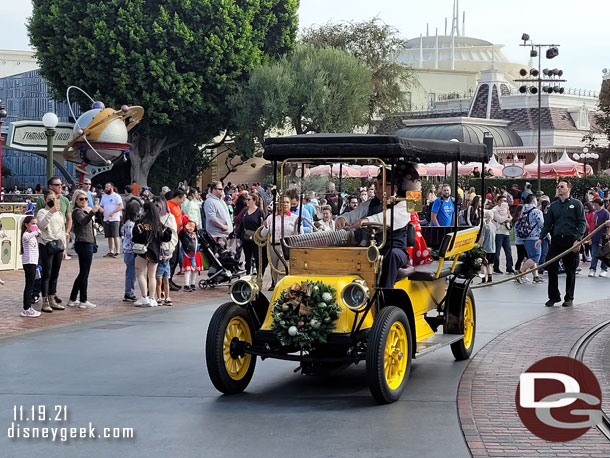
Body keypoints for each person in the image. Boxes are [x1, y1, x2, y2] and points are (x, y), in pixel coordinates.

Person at [336, 166, 414, 289]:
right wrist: (344, 218)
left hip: (395, 249)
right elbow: (354, 214)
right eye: (376, 184)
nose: (377, 188)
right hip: (372, 248)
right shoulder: (370, 204)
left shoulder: (403, 204)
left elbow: (388, 218)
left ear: (394, 187)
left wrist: (367, 220)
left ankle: (385, 294)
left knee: (392, 256)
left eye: (382, 184)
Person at [535, 180, 586, 307]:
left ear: (569, 189)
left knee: (570, 270)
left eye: (562, 187)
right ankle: (554, 296)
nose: (559, 189)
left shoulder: (576, 204)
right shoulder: (554, 206)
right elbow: (547, 224)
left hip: (571, 240)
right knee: (551, 266)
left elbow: (582, 223)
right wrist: (541, 238)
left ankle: (569, 298)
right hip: (557, 239)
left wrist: (578, 239)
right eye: (558, 187)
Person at [132, 202, 172, 307]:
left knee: (140, 273)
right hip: (155, 252)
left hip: (143, 252)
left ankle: (144, 297)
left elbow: (135, 238)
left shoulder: (140, 223)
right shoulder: (158, 224)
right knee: (152, 276)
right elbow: (165, 239)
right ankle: (152, 298)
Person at [67, 189, 100, 308]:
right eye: (81, 199)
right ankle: (83, 300)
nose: (84, 201)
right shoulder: (77, 211)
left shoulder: (84, 211)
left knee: (83, 272)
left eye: (86, 199)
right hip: (83, 242)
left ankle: (73, 297)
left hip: (88, 242)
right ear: (76, 200)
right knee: (84, 272)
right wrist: (92, 212)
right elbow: (83, 222)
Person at [36, 190, 66, 313]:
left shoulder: (59, 213)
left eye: (54, 198)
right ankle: (45, 301)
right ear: (45, 200)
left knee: (55, 273)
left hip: (58, 243)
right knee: (47, 274)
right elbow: (42, 225)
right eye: (50, 199)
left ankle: (52, 297)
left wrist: (64, 246)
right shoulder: (42, 212)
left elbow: (62, 229)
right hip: (46, 243)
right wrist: (50, 212)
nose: (53, 200)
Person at [261, 195, 300, 288]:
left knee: (283, 268)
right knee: (274, 269)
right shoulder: (271, 218)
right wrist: (266, 227)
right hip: (274, 246)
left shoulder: (295, 218)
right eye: (282, 202)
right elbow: (263, 234)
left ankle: (282, 287)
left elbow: (299, 234)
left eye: (287, 202)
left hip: (286, 246)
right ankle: (275, 285)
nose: (285, 205)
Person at [35, 176, 73, 263]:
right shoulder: (42, 200)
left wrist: (66, 232)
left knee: (56, 269)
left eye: (61, 185)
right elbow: (37, 219)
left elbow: (69, 219)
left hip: (60, 236)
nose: (60, 186)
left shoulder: (65, 200)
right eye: (57, 185)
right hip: (46, 238)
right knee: (46, 269)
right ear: (50, 186)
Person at [515, 194, 545, 284]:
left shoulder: (523, 210)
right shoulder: (536, 211)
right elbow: (542, 225)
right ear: (533, 200)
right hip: (534, 236)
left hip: (525, 236)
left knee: (530, 257)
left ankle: (535, 276)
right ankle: (520, 273)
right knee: (535, 257)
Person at [238, 193, 266, 276]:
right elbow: (241, 225)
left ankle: (259, 275)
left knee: (257, 258)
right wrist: (238, 237)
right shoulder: (245, 211)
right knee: (247, 258)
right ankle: (247, 274)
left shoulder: (259, 212)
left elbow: (263, 225)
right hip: (246, 237)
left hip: (256, 238)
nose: (247, 201)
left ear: (254, 201)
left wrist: (262, 237)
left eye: (249, 199)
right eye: (246, 199)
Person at [20, 216, 42, 317]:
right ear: (26, 225)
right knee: (29, 285)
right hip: (28, 263)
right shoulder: (26, 235)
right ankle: (26, 308)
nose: (35, 226)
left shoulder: (32, 236)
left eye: (35, 223)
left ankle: (27, 307)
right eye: (32, 224)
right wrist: (35, 232)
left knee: (31, 284)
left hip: (33, 262)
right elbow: (26, 237)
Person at [167, 189, 186, 289]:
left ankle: (170, 279)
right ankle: (167, 280)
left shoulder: (177, 206)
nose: (183, 201)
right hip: (171, 235)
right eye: (182, 199)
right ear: (177, 197)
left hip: (178, 234)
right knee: (172, 259)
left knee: (176, 258)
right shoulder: (168, 205)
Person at [122, 201, 140, 302]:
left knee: (131, 272)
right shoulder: (130, 224)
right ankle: (129, 292)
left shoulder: (127, 222)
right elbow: (133, 236)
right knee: (131, 273)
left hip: (129, 250)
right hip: (131, 251)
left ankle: (129, 291)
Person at [100, 182, 123, 257]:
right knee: (109, 236)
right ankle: (111, 251)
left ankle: (118, 251)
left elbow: (121, 206)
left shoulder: (116, 196)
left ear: (112, 188)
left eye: (107, 187)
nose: (106, 189)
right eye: (105, 187)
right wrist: (101, 209)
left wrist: (113, 212)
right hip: (106, 218)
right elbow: (101, 205)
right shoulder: (104, 197)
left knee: (115, 235)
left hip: (115, 218)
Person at [492, 196, 514, 274]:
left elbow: (510, 218)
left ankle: (509, 267)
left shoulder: (506, 209)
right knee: (497, 251)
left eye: (505, 201)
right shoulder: (495, 210)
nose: (503, 202)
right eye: (501, 201)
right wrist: (506, 216)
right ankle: (496, 267)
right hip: (498, 232)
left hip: (506, 232)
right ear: (498, 201)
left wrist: (507, 216)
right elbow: (500, 219)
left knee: (508, 250)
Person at [179, 220, 203, 291]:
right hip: (188, 254)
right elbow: (180, 234)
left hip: (196, 254)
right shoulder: (184, 234)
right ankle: (186, 285)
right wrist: (184, 228)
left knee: (195, 270)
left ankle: (192, 283)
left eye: (192, 226)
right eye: (189, 226)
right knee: (188, 270)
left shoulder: (196, 235)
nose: (190, 228)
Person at [589, 198, 610, 277]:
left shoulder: (605, 212)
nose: (594, 205)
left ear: (597, 203)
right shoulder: (595, 213)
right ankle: (592, 269)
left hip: (603, 236)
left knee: (603, 253)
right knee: (594, 254)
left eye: (594, 203)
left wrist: (608, 234)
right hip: (595, 236)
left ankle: (603, 269)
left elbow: (608, 224)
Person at [478, 210, 496, 284]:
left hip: (485, 248)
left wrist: (479, 246)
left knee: (483, 264)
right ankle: (490, 278)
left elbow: (482, 237)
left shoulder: (485, 227)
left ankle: (483, 279)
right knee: (490, 264)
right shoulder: (493, 226)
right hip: (492, 248)